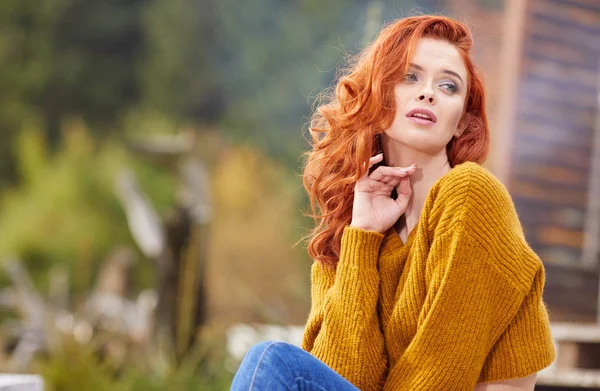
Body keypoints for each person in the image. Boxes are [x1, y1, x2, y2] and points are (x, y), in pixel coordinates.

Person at [231, 14, 555, 391]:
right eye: (410, 77)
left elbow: (441, 372)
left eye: (449, 86)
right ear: (378, 94)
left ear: (463, 122)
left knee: (271, 361)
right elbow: (347, 377)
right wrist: (363, 237)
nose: (428, 92)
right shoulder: (346, 236)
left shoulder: (471, 196)